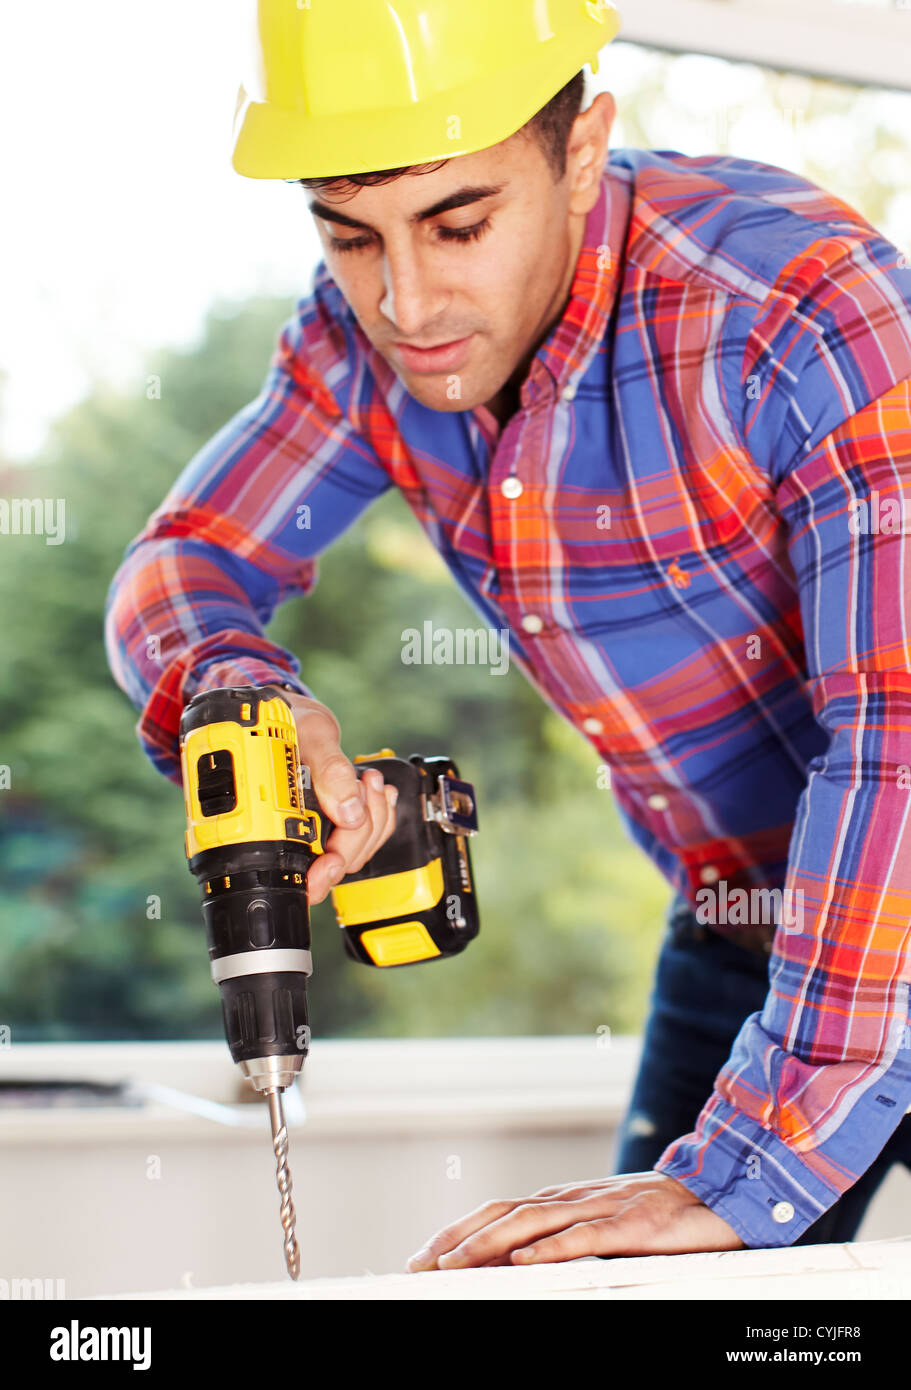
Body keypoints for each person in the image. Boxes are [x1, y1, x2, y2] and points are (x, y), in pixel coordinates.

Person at [104, 0, 911, 1268]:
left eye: (458, 222)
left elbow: (897, 734)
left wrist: (748, 1167)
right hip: (744, 932)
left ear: (580, 149)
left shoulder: (796, 308)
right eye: (345, 230)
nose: (405, 301)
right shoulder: (350, 343)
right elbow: (180, 561)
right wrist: (247, 697)